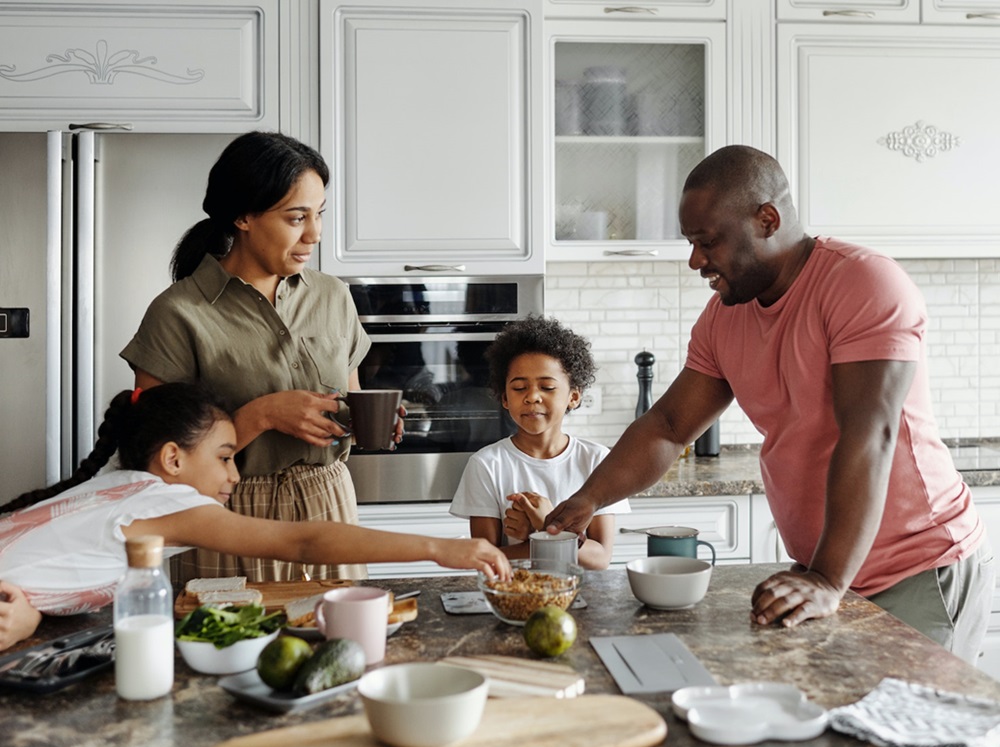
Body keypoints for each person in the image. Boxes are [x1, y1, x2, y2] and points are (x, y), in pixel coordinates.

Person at [545, 145, 994, 663]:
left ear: (767, 219)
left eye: (707, 241)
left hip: (916, 569)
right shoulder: (724, 317)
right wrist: (589, 498)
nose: (695, 260)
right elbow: (668, 426)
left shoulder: (862, 283)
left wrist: (827, 577)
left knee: (904, 740)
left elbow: (870, 435)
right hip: (827, 573)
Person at [0, 384, 510, 651]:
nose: (235, 476)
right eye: (225, 457)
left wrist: (31, 619)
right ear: (173, 459)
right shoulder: (166, 503)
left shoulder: (118, 482)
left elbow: (50, 565)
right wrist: (442, 548)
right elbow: (303, 543)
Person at [120, 131, 398, 584]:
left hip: (330, 503)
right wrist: (263, 414)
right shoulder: (177, 313)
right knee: (234, 648)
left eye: (319, 214)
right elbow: (157, 463)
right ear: (243, 216)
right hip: (230, 518)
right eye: (296, 217)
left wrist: (365, 419)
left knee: (344, 648)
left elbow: (349, 401)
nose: (315, 234)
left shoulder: (333, 297)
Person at [450, 316, 629, 570]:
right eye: (519, 388)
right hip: (516, 599)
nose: (532, 397)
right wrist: (545, 536)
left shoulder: (597, 460)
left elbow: (600, 558)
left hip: (584, 599)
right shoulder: (486, 465)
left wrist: (545, 526)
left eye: (547, 387)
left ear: (574, 396)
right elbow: (485, 559)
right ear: (504, 398)